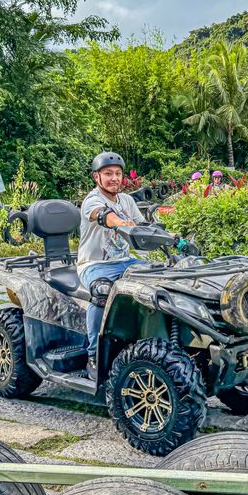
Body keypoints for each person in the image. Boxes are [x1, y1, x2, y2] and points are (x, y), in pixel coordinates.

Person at [77, 152, 145, 377]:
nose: (114, 178)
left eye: (117, 174)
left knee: (157, 278)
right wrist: (119, 222)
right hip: (94, 265)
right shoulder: (92, 200)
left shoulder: (127, 200)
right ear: (97, 177)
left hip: (125, 261)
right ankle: (93, 355)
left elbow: (143, 227)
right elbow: (102, 215)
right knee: (102, 291)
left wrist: (171, 235)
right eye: (108, 174)